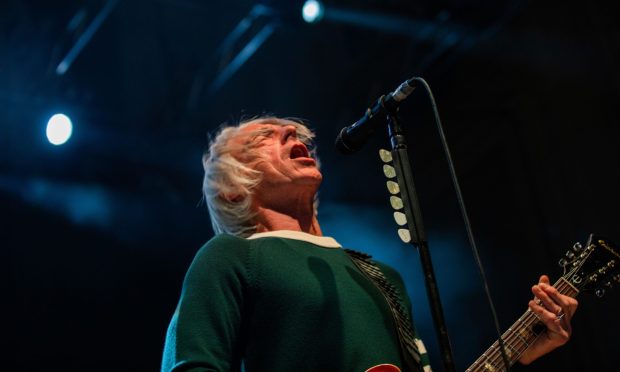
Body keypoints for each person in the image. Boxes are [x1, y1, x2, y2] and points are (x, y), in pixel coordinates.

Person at [161, 116, 578, 371]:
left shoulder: (382, 278)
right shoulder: (232, 257)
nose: (290, 129)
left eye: (289, 130)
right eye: (261, 139)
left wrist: (521, 350)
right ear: (233, 190)